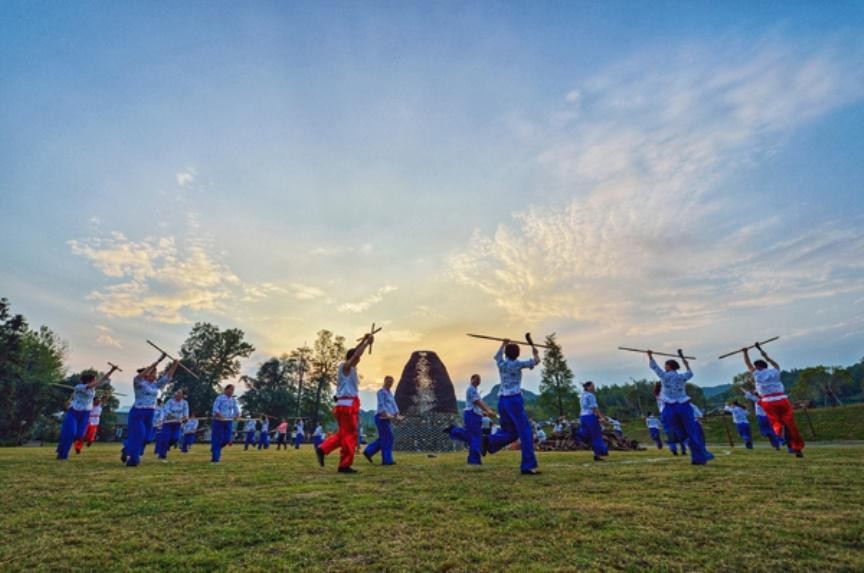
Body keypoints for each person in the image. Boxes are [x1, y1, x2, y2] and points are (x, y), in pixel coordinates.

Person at [316, 333, 374, 473]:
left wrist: (365, 340)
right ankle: (344, 465)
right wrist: (366, 344)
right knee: (351, 435)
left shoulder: (349, 369)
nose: (359, 359)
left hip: (344, 405)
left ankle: (323, 449)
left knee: (343, 434)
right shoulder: (345, 367)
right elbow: (356, 356)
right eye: (356, 357)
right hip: (347, 407)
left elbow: (355, 354)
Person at [483, 339, 542, 475]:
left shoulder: (502, 364)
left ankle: (489, 441)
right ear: (517, 353)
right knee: (525, 431)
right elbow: (536, 361)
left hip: (502, 401)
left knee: (510, 431)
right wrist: (535, 351)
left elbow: (497, 356)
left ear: (507, 353)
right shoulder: (518, 364)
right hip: (514, 399)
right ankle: (527, 466)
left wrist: (503, 344)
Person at [648, 350, 712, 465]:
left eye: (666, 365)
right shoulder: (682, 377)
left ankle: (676, 439)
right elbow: (690, 373)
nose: (664, 367)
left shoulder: (665, 376)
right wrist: (686, 362)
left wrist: (650, 355)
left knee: (672, 428)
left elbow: (655, 367)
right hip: (684, 405)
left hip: (671, 407)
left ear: (669, 366)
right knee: (691, 431)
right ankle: (700, 457)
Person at [742, 345, 804, 457]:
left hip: (768, 401)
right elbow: (775, 364)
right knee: (790, 424)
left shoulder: (757, 374)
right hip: (782, 399)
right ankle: (796, 447)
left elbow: (748, 364)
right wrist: (766, 357)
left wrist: (745, 352)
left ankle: (782, 434)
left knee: (776, 422)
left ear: (757, 367)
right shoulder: (775, 372)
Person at [121, 355, 178, 467]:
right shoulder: (139, 383)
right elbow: (139, 376)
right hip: (138, 413)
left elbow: (167, 378)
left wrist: (175, 365)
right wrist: (157, 362)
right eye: (152, 373)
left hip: (150, 413)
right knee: (140, 435)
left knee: (147, 438)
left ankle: (127, 448)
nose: (154, 376)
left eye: (155, 374)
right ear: (147, 374)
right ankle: (133, 460)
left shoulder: (156, 385)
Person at [57, 367, 117, 460]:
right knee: (71, 433)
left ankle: (63, 444)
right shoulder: (79, 387)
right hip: (74, 412)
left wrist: (112, 370)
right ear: (89, 381)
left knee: (80, 435)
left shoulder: (92, 389)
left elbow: (103, 380)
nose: (96, 381)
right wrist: (99, 381)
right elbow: (97, 383)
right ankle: (62, 454)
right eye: (94, 380)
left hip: (85, 414)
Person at [446, 374, 496, 465]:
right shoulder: (471, 390)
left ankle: (453, 430)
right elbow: (477, 402)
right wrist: (488, 410)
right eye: (476, 379)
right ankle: (474, 461)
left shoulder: (475, 390)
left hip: (475, 415)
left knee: (470, 435)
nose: (477, 381)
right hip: (471, 415)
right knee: (476, 437)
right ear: (471, 379)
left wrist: (485, 413)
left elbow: (477, 406)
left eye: (479, 380)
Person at [364, 376, 404, 465]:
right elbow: (381, 405)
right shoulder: (380, 392)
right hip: (381, 417)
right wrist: (386, 414)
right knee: (388, 437)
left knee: (384, 437)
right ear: (384, 381)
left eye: (391, 382)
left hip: (388, 418)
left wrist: (397, 414)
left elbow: (394, 405)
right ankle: (387, 460)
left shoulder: (390, 394)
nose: (389, 384)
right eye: (388, 382)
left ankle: (368, 451)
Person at [577, 381, 609, 461]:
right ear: (588, 387)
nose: (594, 387)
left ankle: (579, 437)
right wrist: (601, 417)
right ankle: (599, 453)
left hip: (583, 417)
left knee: (588, 435)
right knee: (596, 435)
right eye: (592, 386)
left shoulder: (582, 395)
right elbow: (594, 408)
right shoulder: (590, 395)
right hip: (590, 417)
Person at [211, 384, 241, 463]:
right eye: (230, 389)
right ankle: (215, 459)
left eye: (233, 390)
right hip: (218, 421)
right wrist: (220, 416)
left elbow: (236, 410)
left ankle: (215, 449)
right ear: (226, 390)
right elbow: (215, 409)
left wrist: (237, 415)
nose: (231, 391)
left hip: (228, 421)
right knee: (218, 439)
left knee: (227, 439)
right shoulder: (220, 398)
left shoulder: (233, 400)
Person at [157, 390, 189, 460]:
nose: (178, 395)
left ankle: (166, 446)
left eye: (180, 394)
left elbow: (186, 413)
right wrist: (174, 416)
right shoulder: (170, 401)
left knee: (175, 438)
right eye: (177, 394)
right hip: (167, 423)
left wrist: (185, 418)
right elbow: (167, 411)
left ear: (182, 395)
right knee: (165, 439)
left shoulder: (185, 403)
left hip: (177, 424)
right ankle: (162, 455)